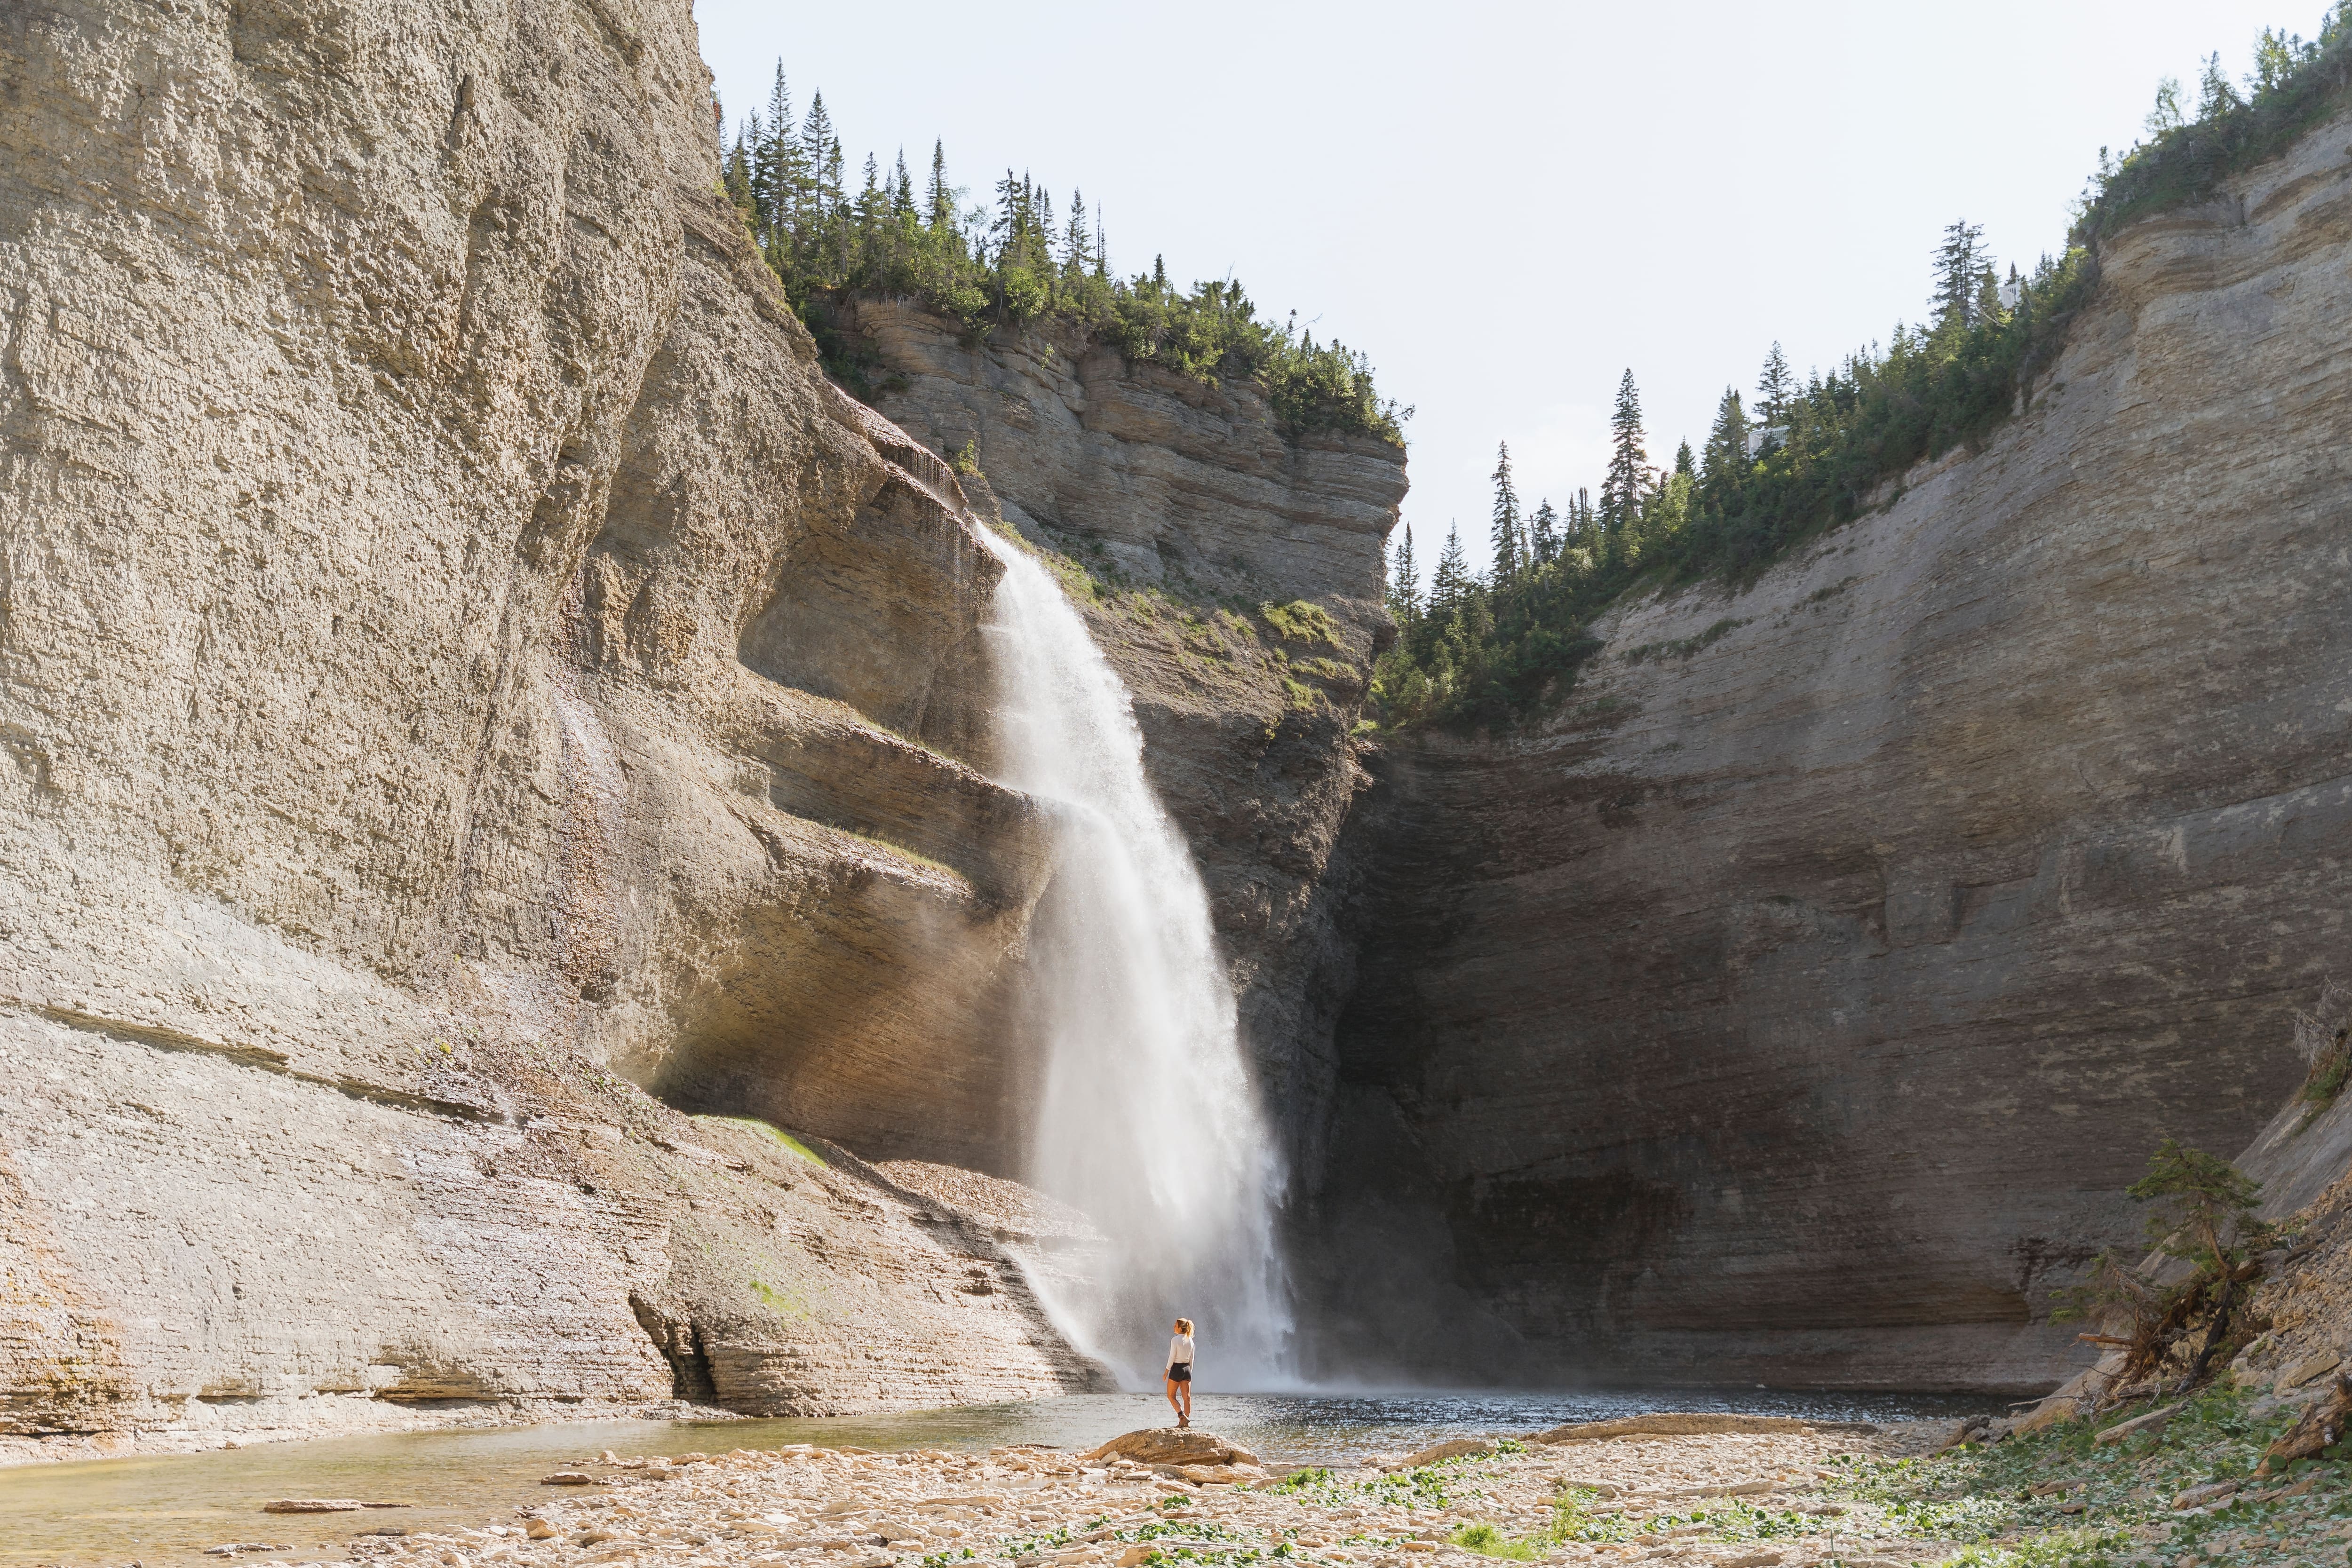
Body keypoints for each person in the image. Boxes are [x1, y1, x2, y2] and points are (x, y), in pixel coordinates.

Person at [1164, 1317, 1194, 1428]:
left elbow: (1172, 1357)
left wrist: (1167, 1371)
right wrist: (1189, 1373)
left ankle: (1182, 1416)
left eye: (1175, 1325)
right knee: (1187, 1398)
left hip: (1177, 1368)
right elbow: (1192, 1360)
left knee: (1171, 1396)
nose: (1174, 1327)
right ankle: (1185, 1423)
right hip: (1187, 1369)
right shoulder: (1191, 1341)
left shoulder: (1175, 1340)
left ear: (1180, 1328)